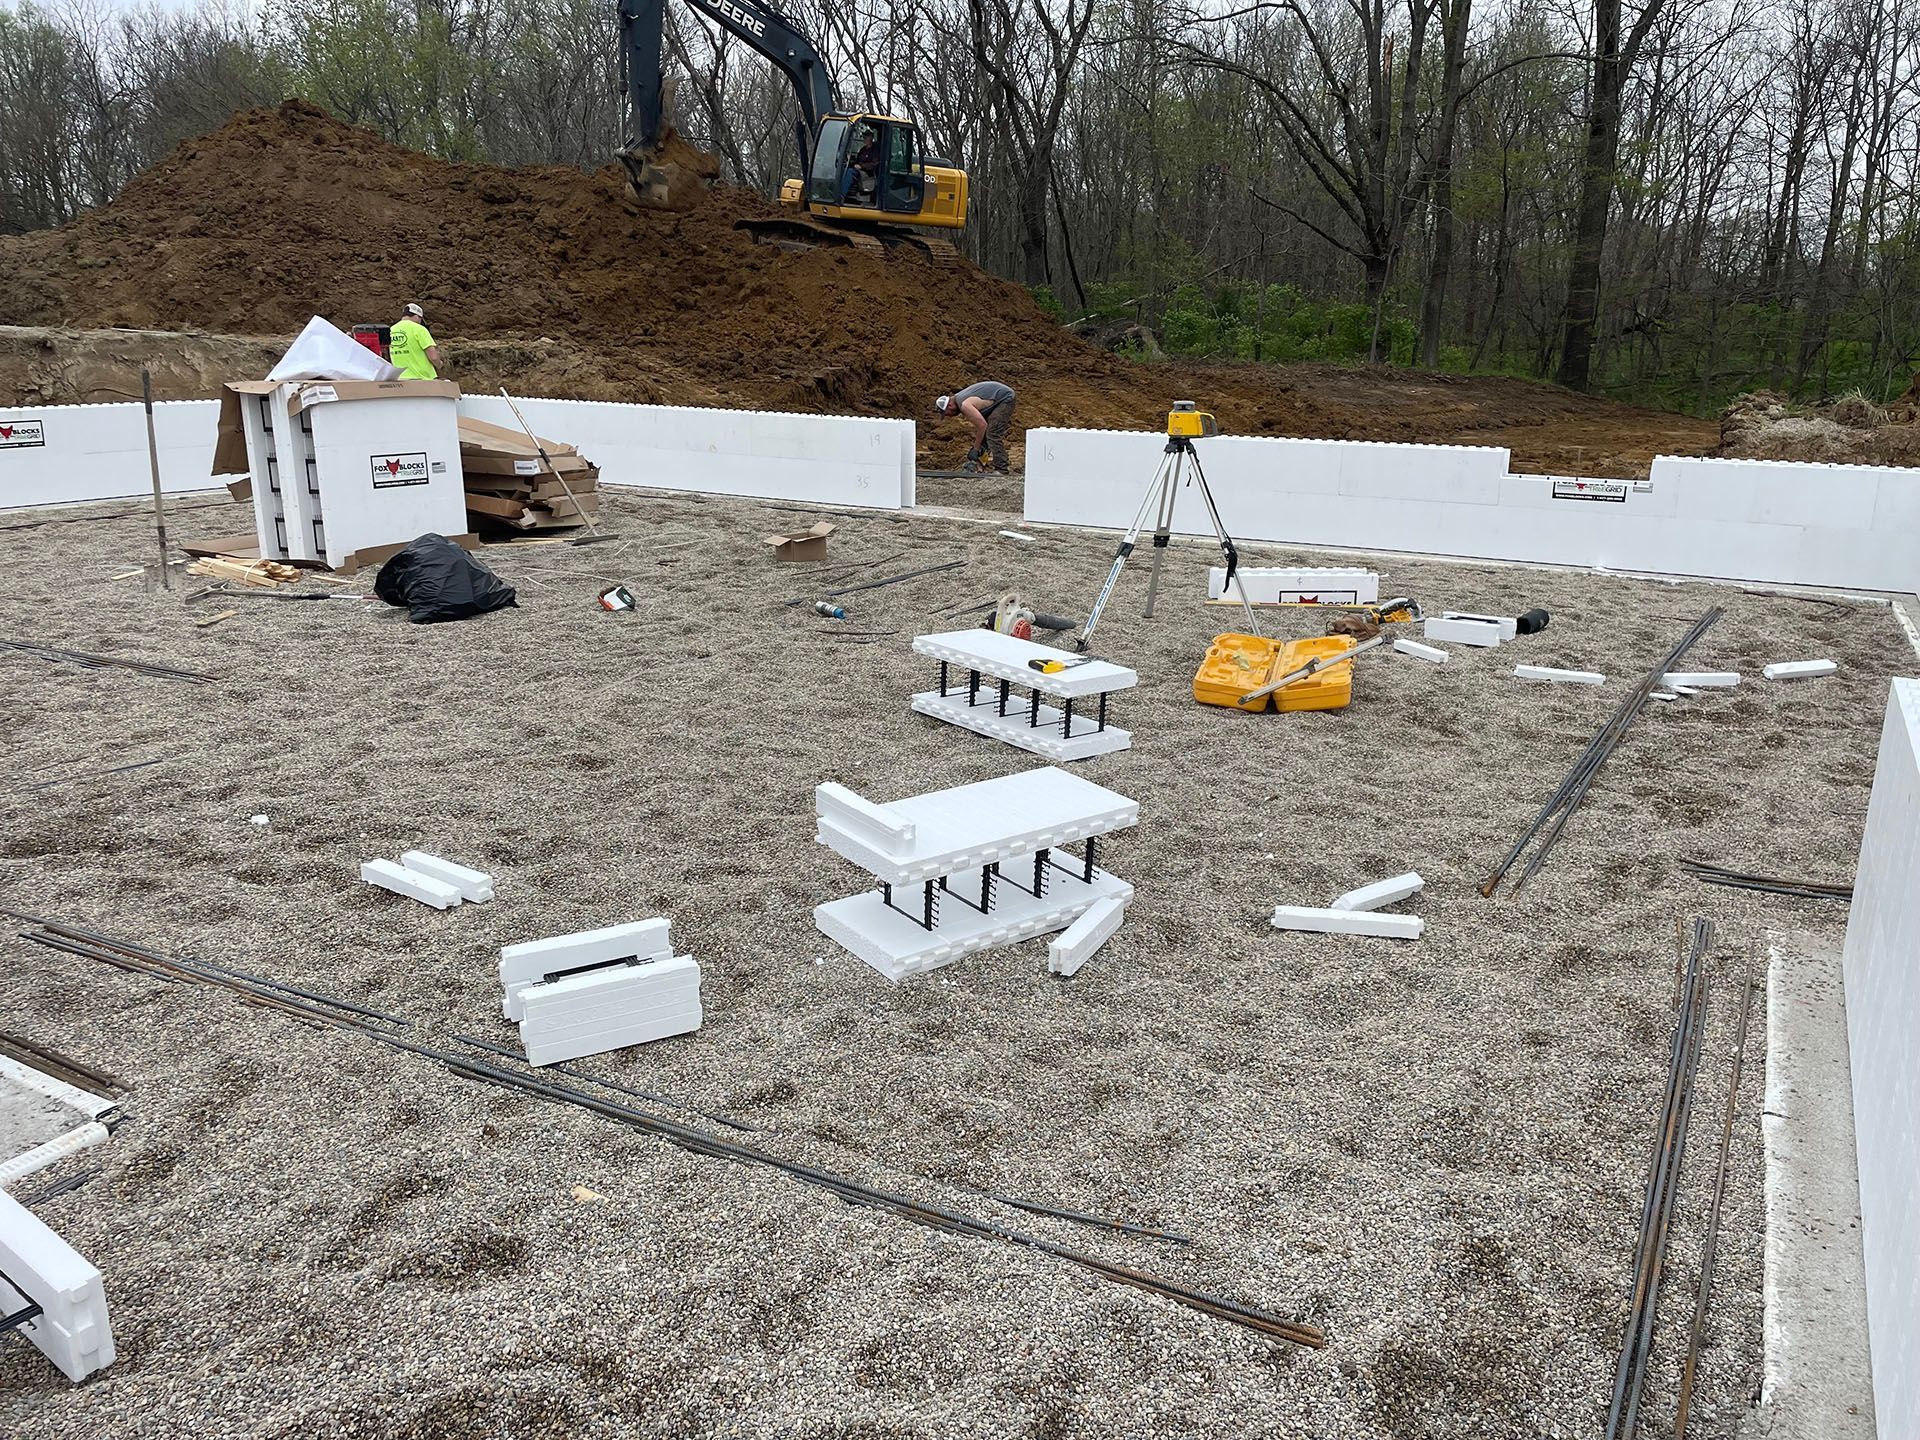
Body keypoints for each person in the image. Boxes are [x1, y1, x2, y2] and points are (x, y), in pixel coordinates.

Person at [934, 381, 1016, 474]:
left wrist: (975, 449)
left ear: (949, 406)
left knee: (993, 434)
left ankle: (1002, 469)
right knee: (985, 435)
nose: (949, 416)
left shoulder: (964, 405)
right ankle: (980, 466)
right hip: (995, 400)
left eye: (946, 413)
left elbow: (982, 425)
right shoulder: (958, 398)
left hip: (1005, 398)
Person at [389, 302, 443, 380]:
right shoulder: (419, 329)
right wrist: (439, 364)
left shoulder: (391, 330)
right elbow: (433, 357)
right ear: (417, 316)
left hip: (400, 379)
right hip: (422, 379)